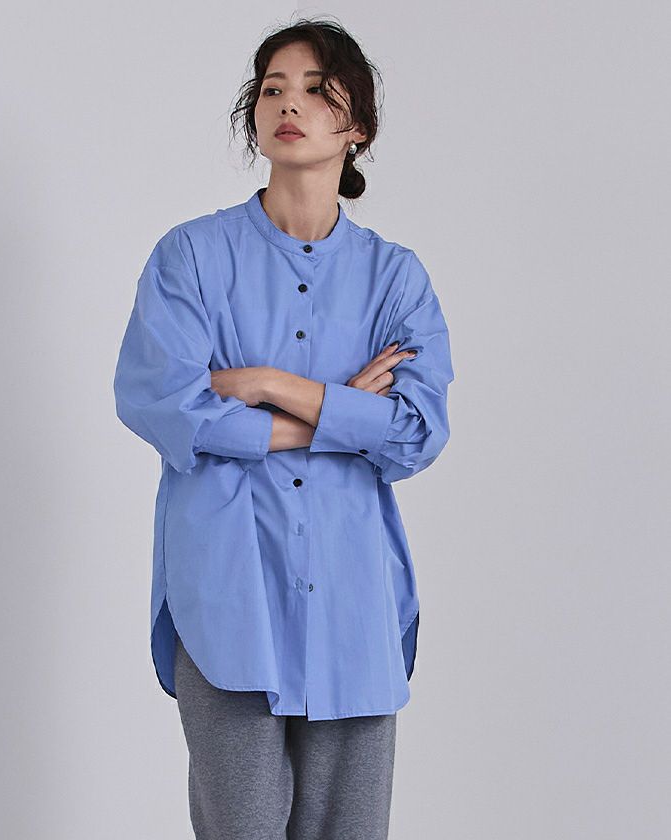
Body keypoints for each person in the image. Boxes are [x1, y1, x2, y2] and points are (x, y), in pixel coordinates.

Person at [113, 17, 455, 840]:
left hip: (352, 602)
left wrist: (269, 385)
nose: (288, 104)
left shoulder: (395, 279)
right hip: (226, 595)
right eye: (272, 88)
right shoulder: (191, 258)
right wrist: (340, 412)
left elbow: (415, 433)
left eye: (315, 89)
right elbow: (162, 402)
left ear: (357, 126)